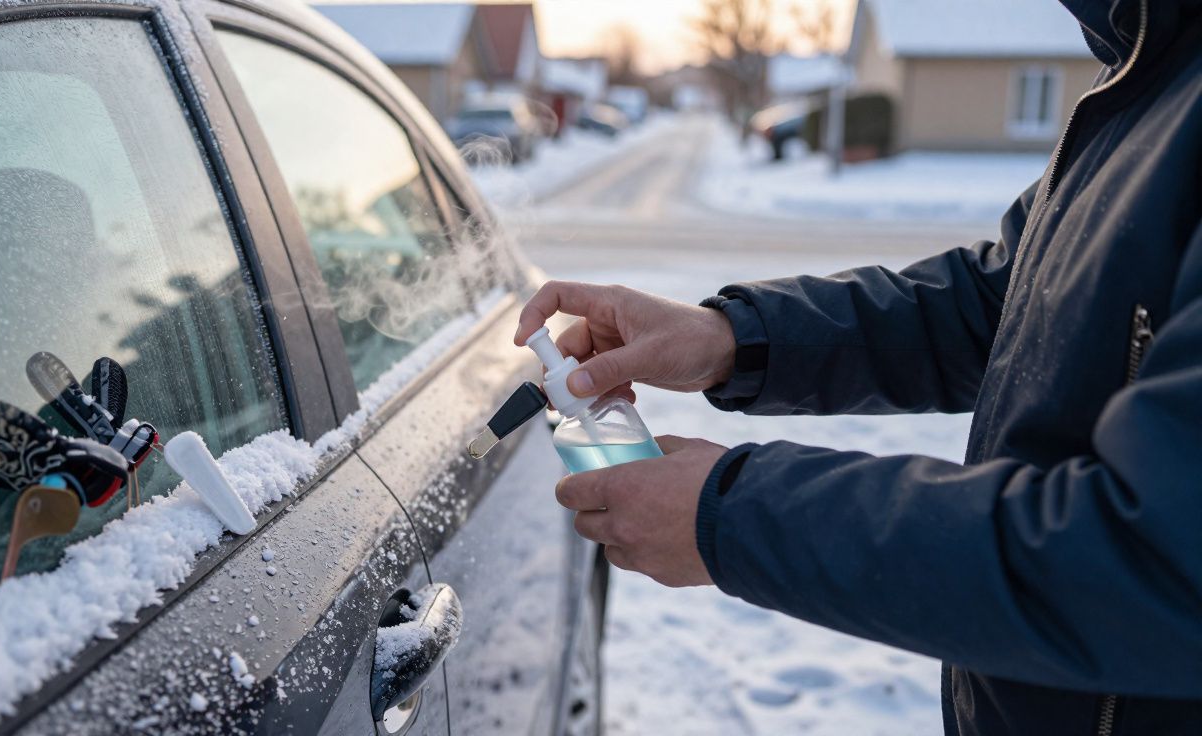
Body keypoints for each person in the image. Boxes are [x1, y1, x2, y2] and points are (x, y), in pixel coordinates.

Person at [513, 1, 1202, 733]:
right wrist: (729, 338)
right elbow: (999, 301)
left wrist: (733, 516)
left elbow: (1154, 558)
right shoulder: (1152, 69)